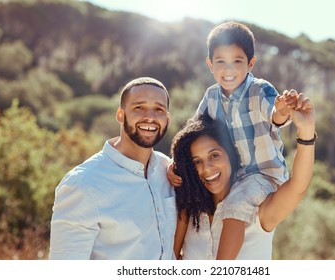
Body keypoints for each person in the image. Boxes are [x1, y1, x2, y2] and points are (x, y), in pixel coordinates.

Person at [168, 21, 298, 259]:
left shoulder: (259, 90)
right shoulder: (211, 96)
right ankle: (172, 257)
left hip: (264, 176)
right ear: (210, 65)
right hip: (235, 176)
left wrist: (281, 110)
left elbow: (275, 116)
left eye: (237, 61)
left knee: (235, 205)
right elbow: (192, 131)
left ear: (250, 63)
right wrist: (174, 163)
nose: (228, 69)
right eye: (221, 62)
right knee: (186, 192)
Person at [171, 93, 316, 259]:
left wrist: (306, 131)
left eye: (214, 155)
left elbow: (298, 187)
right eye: (197, 161)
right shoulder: (190, 214)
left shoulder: (256, 210)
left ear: (230, 155)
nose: (207, 168)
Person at [49, 77, 177, 260]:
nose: (150, 117)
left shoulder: (168, 170)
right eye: (139, 107)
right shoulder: (83, 184)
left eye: (159, 109)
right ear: (120, 115)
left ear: (167, 119)